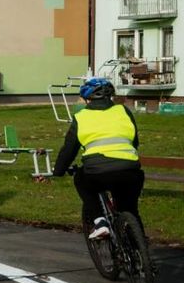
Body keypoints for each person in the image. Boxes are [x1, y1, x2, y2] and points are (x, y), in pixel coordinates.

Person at [51, 77, 143, 240]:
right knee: (130, 210)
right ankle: (142, 252)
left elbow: (69, 150)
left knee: (81, 180)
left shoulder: (81, 117)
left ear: (87, 99)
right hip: (130, 170)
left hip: (97, 172)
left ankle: (100, 222)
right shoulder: (124, 111)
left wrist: (58, 171)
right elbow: (134, 141)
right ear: (110, 97)